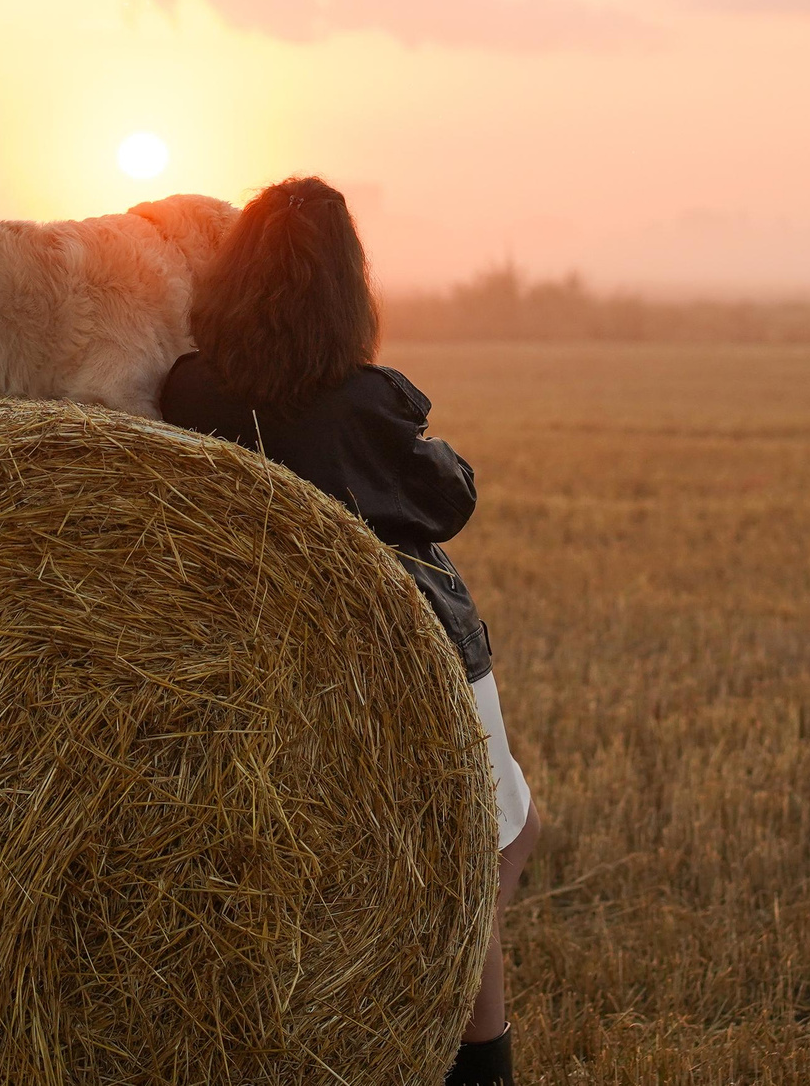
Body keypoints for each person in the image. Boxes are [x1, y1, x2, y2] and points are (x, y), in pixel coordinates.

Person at [159, 176, 541, 1086]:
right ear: (345, 292)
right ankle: (474, 1057)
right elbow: (448, 499)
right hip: (416, 654)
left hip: (262, 655)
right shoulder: (362, 402)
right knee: (499, 848)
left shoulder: (190, 390)